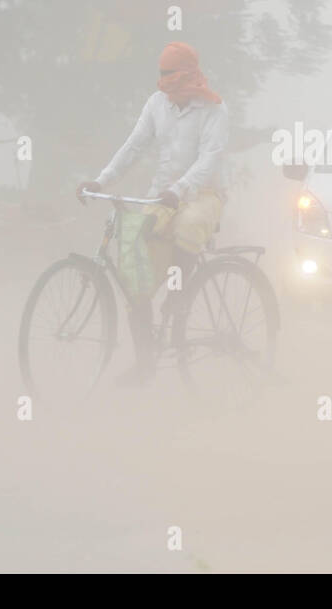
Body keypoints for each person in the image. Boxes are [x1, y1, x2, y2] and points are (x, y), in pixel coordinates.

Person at [77, 41, 229, 383]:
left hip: (204, 194)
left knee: (188, 224)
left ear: (192, 81)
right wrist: (101, 181)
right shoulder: (156, 104)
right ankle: (145, 362)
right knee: (134, 276)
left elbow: (210, 158)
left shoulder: (214, 109)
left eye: (177, 89)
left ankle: (178, 297)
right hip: (162, 196)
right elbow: (134, 145)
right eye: (167, 89)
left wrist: (180, 189)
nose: (171, 96)